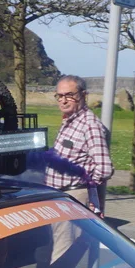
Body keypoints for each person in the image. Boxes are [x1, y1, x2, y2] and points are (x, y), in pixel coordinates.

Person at [42, 75, 113, 209]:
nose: (63, 101)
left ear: (83, 95)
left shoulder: (89, 124)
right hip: (59, 196)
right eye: (60, 96)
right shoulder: (70, 121)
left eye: (69, 95)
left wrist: (89, 189)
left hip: (73, 198)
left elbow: (104, 169)